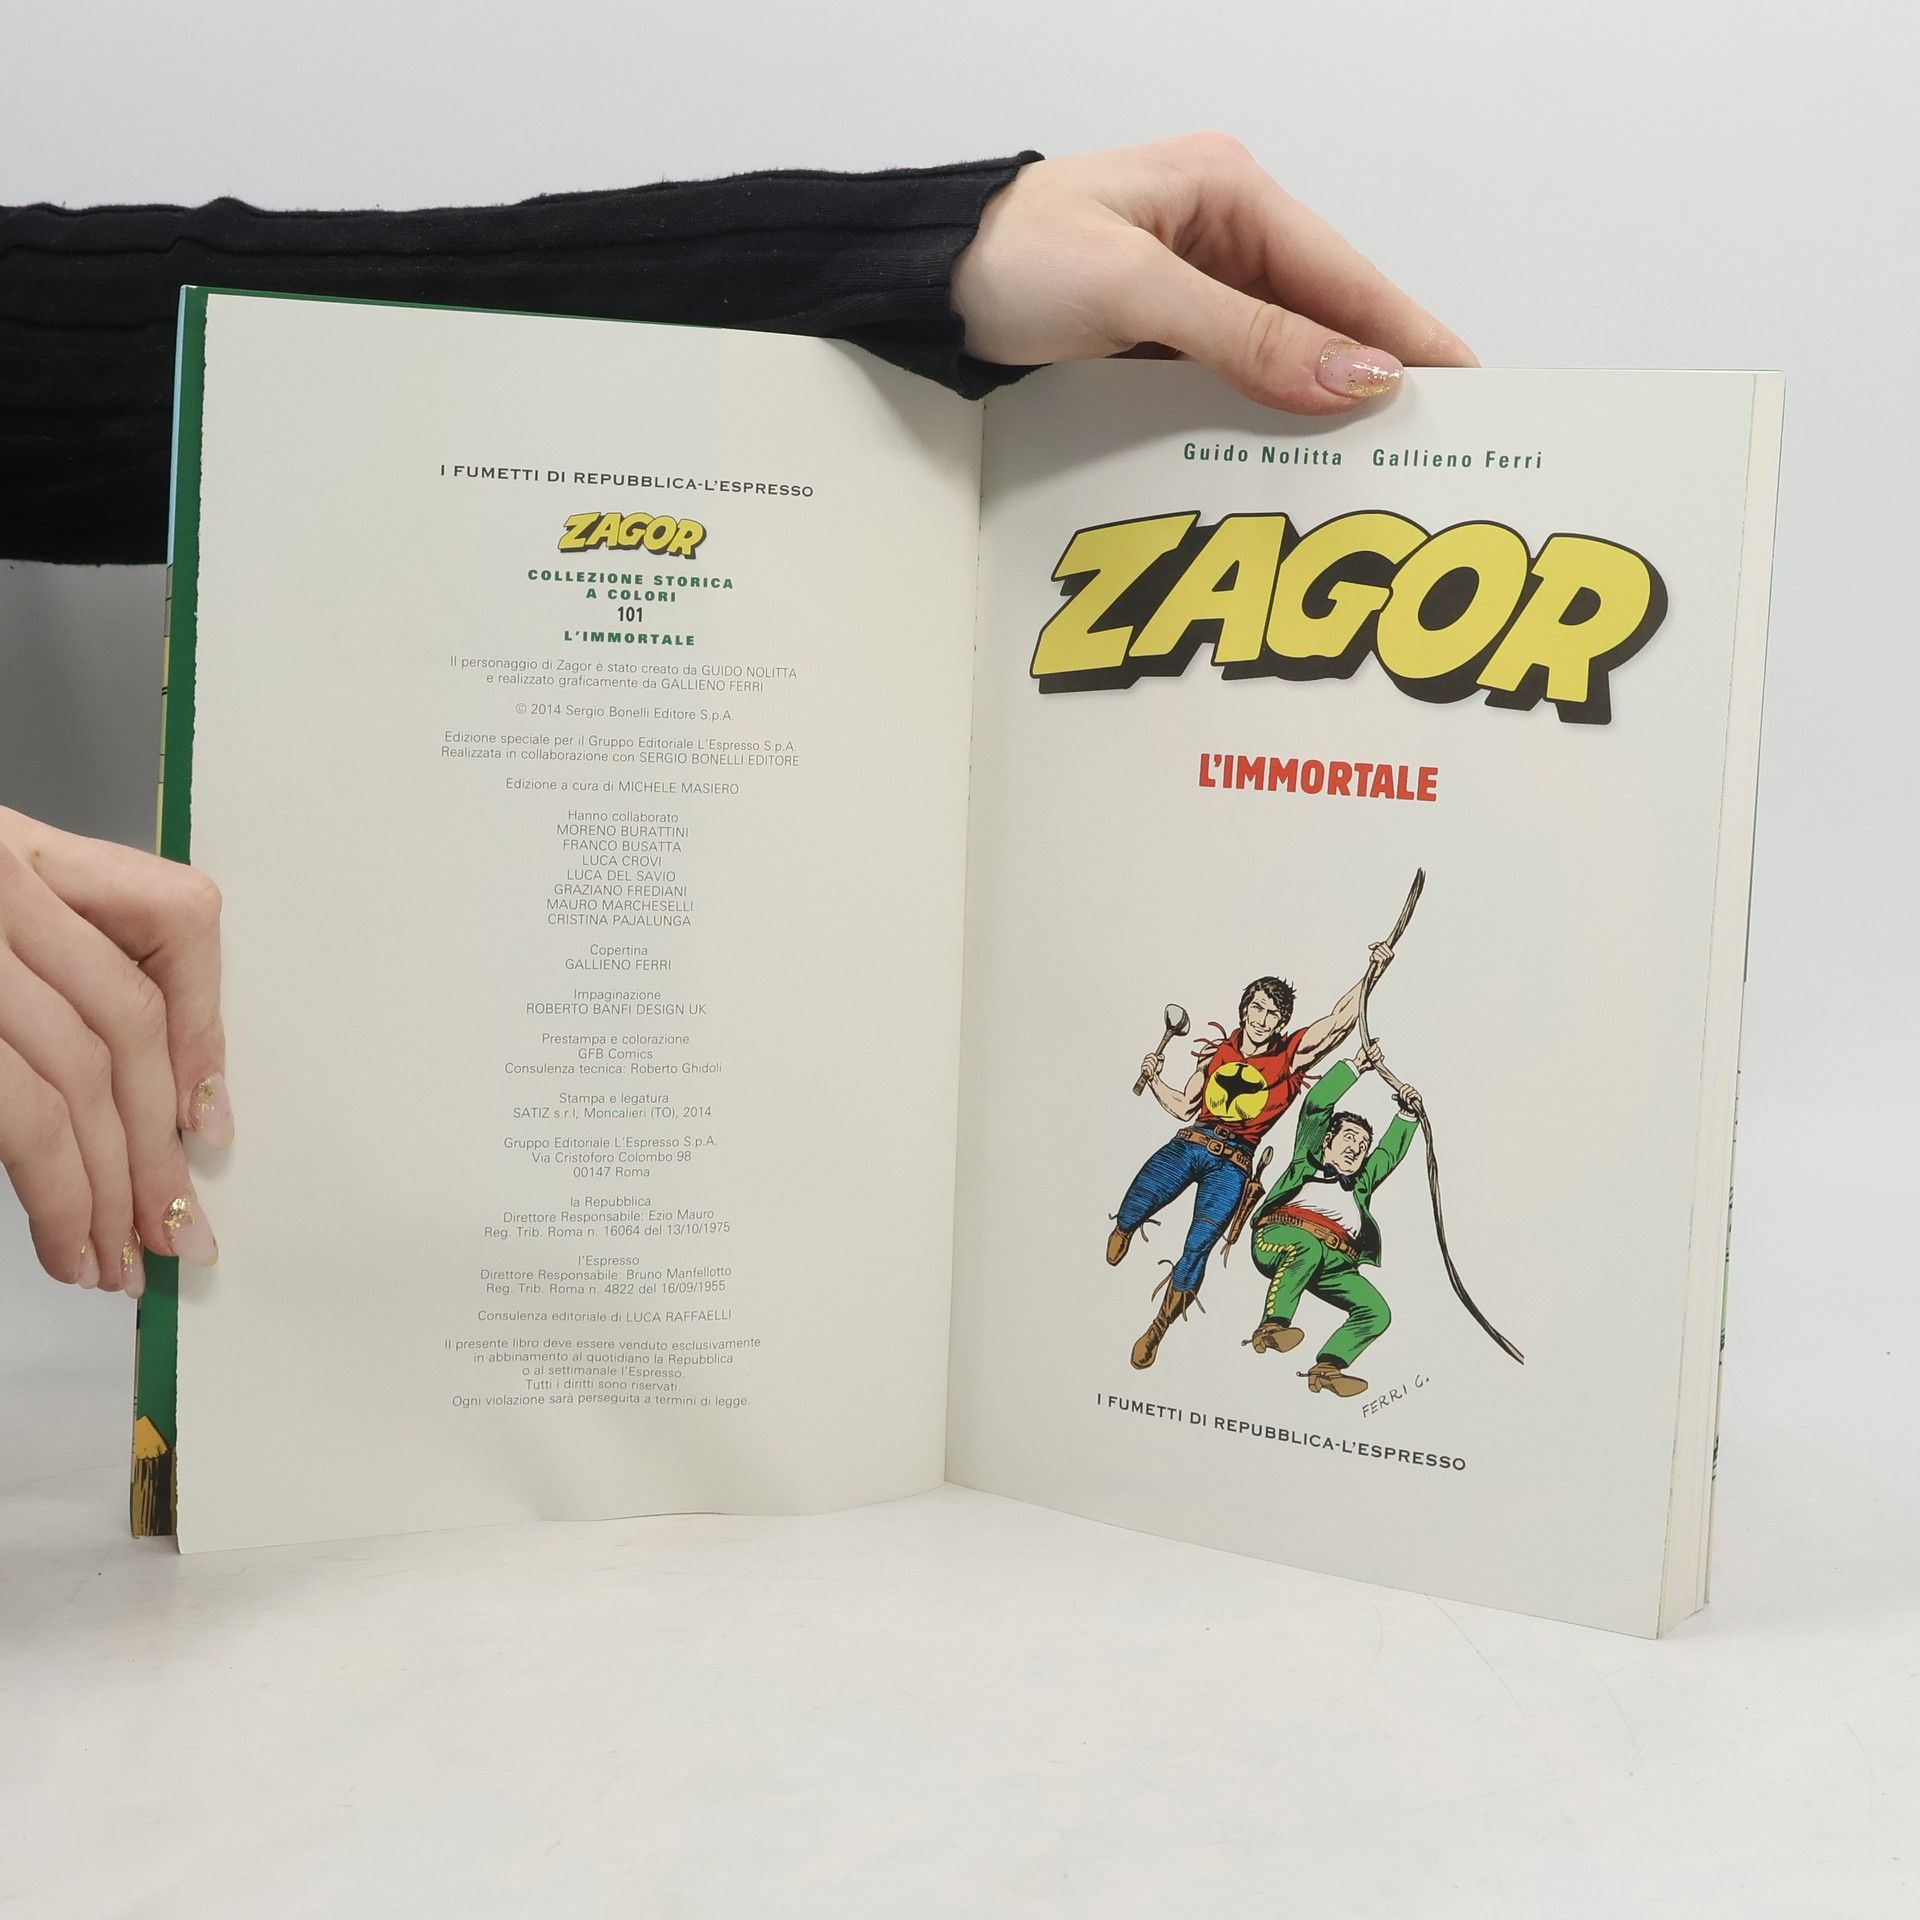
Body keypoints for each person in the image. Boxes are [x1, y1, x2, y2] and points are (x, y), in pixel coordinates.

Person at [0, 133, 1476, 1299]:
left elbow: (136, 353)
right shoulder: (1232, 1049)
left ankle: (1189, 1288)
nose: (1265, 1019)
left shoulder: (1283, 1056)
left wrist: (930, 253)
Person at [1114, 946, 1392, 1370]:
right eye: (1257, 1008)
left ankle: (1157, 1328)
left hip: (1234, 1165)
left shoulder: (1289, 1057)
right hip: (1191, 1142)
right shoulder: (1218, 1053)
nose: (1262, 1020)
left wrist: (1373, 971)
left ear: (1281, 1023)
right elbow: (1184, 1105)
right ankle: (1125, 1226)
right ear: (1245, 1009)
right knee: (1139, 1198)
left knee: (1198, 1247)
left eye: (1272, 1015)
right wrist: (1154, 1080)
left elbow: (1339, 1022)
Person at [1243, 1038, 1423, 1398]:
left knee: (1376, 1310)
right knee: (1306, 1248)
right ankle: (1272, 1327)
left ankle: (1328, 1368)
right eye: (1349, 1138)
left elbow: (1387, 1154)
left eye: (1363, 1145)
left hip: (1336, 1265)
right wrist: (1355, 1066)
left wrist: (1407, 1114)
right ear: (1327, 1141)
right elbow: (1316, 1105)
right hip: (1281, 1238)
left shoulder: (1361, 1183)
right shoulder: (1307, 1160)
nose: (1356, 1148)